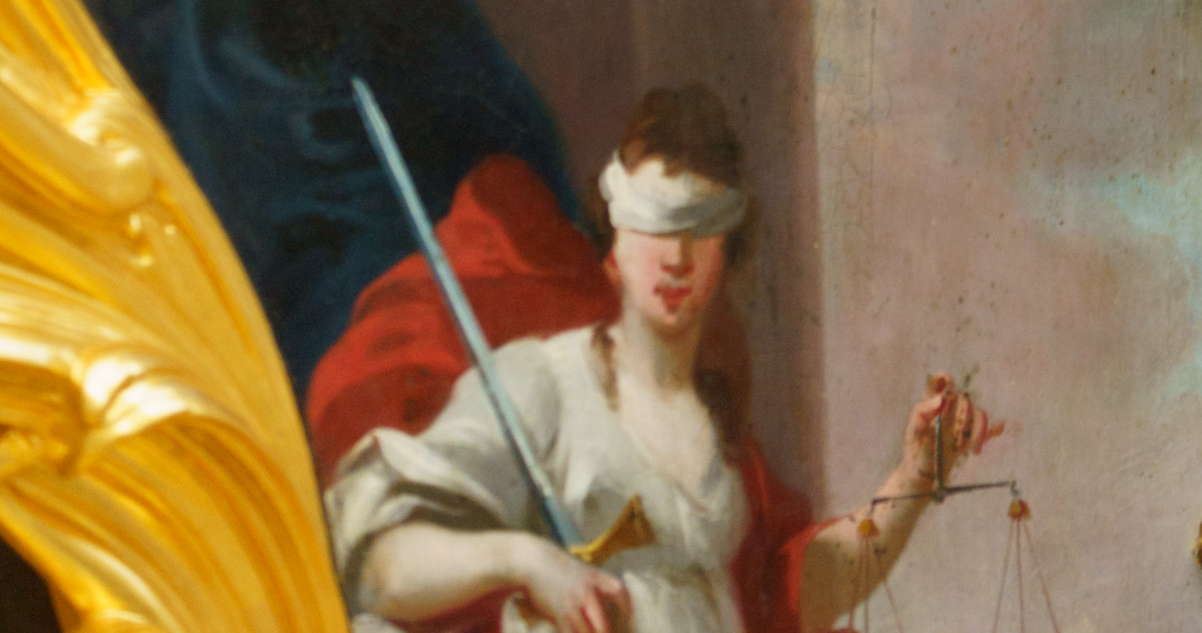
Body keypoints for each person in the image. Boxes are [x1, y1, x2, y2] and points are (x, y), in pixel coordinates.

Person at [312, 82, 998, 633]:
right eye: (653, 221)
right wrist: (525, 558)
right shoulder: (543, 382)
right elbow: (379, 562)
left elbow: (793, 593)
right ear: (612, 243)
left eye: (698, 227)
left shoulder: (720, 439)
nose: (674, 255)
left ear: (728, 249)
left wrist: (914, 475)